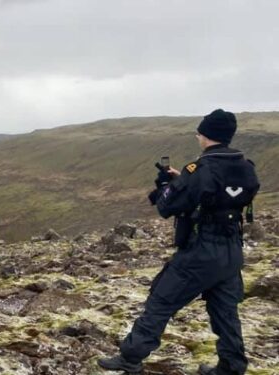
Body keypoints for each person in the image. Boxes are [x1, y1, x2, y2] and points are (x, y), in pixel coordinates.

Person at [98, 109, 260, 375]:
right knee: (226, 312)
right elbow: (225, 195)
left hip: (201, 252)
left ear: (206, 135)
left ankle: (130, 358)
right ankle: (231, 367)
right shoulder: (246, 166)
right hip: (232, 250)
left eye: (199, 132)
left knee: (161, 301)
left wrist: (170, 185)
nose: (198, 136)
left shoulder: (200, 169)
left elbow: (166, 206)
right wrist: (183, 181)